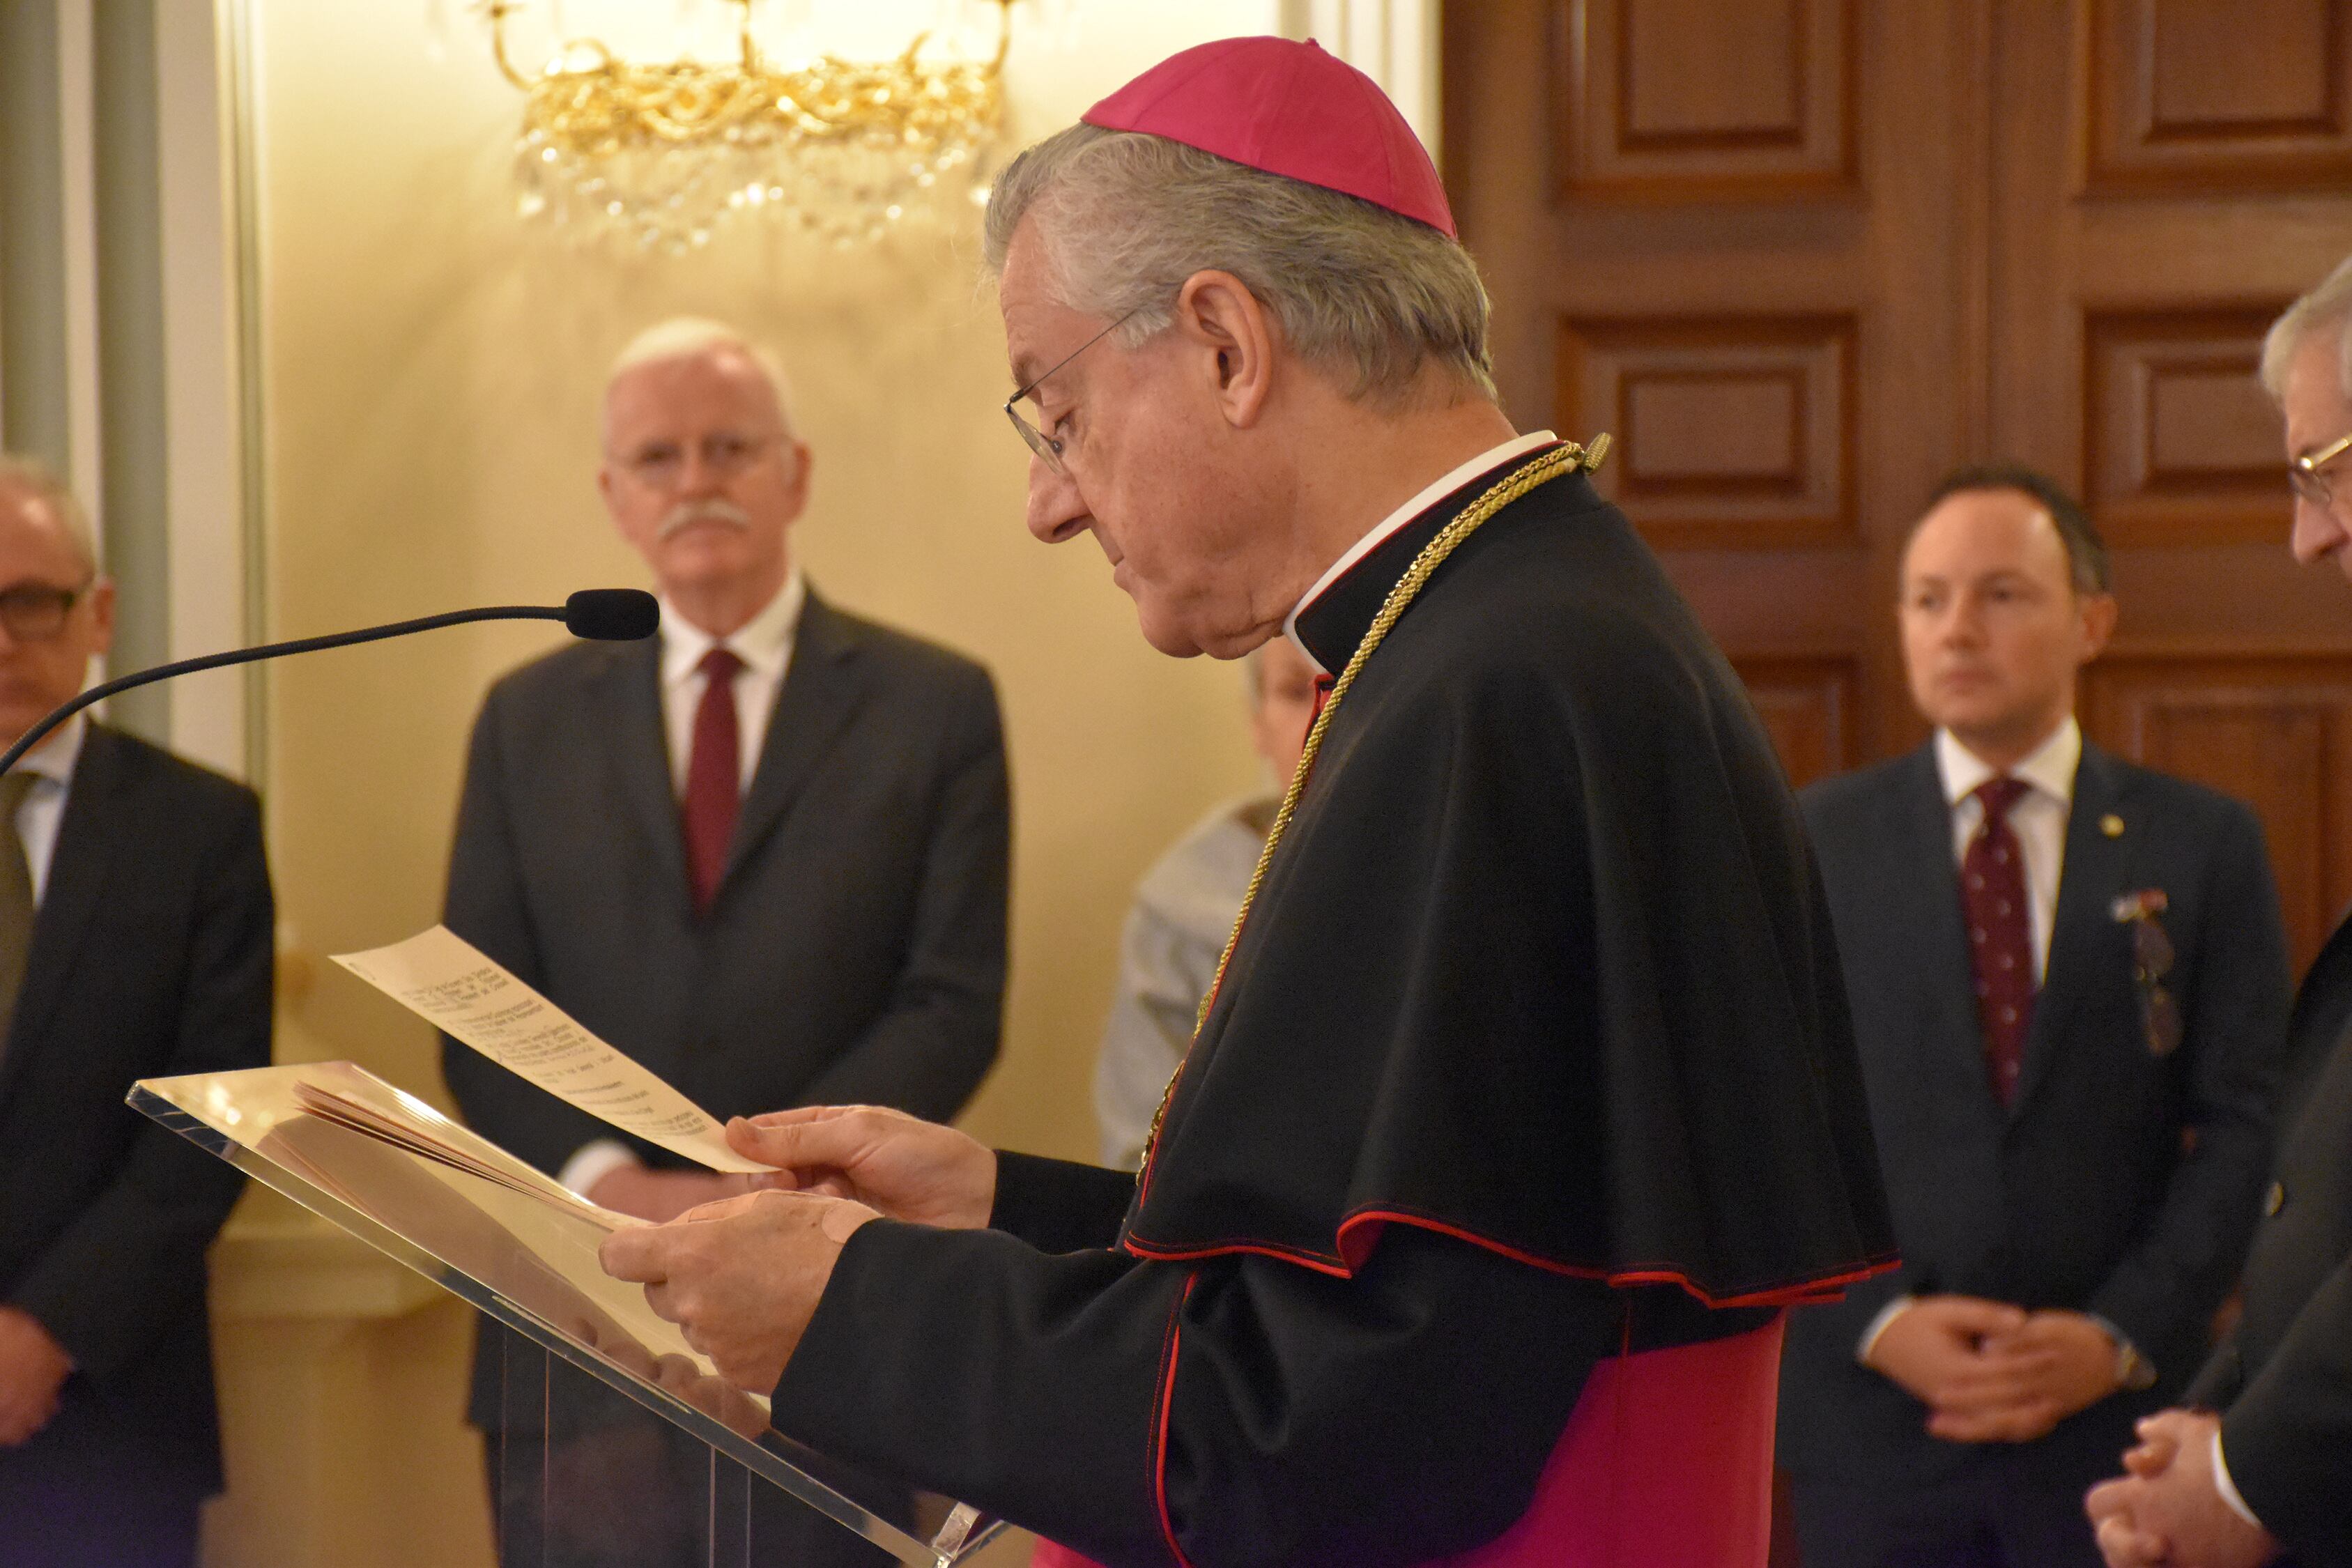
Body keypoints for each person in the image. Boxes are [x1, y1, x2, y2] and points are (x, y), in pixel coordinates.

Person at [598, 40, 1895, 1567]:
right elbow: (1385, 1282)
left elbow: (1334, 1439)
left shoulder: (1489, 695)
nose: (1049, 500)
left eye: (1056, 412)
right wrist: (997, 1211)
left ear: (1222, 341)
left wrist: (853, 1304)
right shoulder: (1518, 636)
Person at [439, 318, 1009, 1564]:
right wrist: (608, 1179)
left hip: (833, 1310)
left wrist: (773, 1185)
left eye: (729, 447)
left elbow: (952, 1001)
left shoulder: (936, 705)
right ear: (615, 498)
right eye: (657, 457)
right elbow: (474, 1012)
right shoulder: (522, 719)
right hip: (576, 1317)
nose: (694, 480)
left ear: (794, 473)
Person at [1776, 468, 2291, 1567]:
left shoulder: (2199, 843)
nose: (1955, 629)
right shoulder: (1811, 841)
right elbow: (1754, 1115)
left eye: (2000, 595)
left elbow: (2245, 1119)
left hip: (2113, 1431)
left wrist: (2119, 1336)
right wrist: (1874, 1320)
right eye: (1926, 599)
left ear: (2089, 621)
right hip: (1874, 1430)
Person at [2087, 257, 2352, 1568]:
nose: (2308, 535)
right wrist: (2224, 1413)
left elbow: (2245, 1117)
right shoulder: (1837, 825)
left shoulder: (2194, 837)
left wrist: (2249, 1474)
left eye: (2327, 466)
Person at [0, 457, 275, 1568]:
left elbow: (209, 1117)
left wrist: (47, 1330)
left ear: (98, 611)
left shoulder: (198, 829)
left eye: (31, 600)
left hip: (111, 1406)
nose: (4, 638)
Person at [1093, 636, 1316, 1168]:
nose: (1324, 715)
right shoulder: (1177, 912)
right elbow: (1136, 1159)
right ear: (1256, 721)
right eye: (1294, 691)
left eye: (1347, 680)